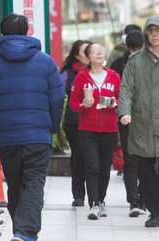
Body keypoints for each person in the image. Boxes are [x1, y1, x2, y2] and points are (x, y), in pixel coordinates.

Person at [0, 13, 65, 241]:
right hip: (38, 134)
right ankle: (26, 232)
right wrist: (52, 126)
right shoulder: (46, 61)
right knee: (34, 183)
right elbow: (57, 98)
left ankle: (21, 228)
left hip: (8, 136)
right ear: (29, 32)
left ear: (1, 34)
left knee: (16, 184)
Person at [118, 15, 159, 228]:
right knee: (146, 172)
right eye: (151, 30)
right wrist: (124, 112)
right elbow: (126, 88)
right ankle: (155, 212)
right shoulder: (135, 60)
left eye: (158, 30)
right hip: (142, 124)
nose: (154, 34)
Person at [70, 43, 121, 220]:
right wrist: (84, 105)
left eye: (101, 50)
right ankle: (92, 204)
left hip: (109, 129)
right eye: (94, 51)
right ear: (88, 57)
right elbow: (73, 104)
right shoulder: (81, 78)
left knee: (105, 170)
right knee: (92, 167)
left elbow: (122, 100)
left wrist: (114, 103)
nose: (99, 53)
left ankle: (101, 201)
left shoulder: (114, 77)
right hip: (87, 130)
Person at [110, 30, 146, 217]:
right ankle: (133, 201)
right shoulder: (117, 65)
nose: (136, 52)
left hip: (147, 121)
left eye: (139, 48)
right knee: (130, 161)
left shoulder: (150, 64)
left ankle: (145, 198)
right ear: (127, 47)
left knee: (146, 162)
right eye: (133, 49)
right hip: (125, 119)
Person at [60, 40, 93, 207]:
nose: (88, 55)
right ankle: (78, 195)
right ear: (76, 55)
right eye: (84, 51)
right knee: (78, 156)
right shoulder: (67, 73)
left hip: (95, 122)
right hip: (74, 122)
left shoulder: (100, 73)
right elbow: (59, 95)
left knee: (93, 159)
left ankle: (96, 196)